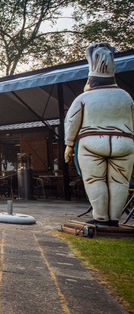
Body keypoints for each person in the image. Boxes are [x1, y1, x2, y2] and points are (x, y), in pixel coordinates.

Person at [65, 43, 134, 226]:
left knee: (94, 179)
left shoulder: (84, 98)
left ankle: (100, 216)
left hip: (92, 142)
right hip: (124, 143)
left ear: (90, 80)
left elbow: (72, 121)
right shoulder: (126, 97)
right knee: (120, 181)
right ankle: (114, 218)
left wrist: (69, 143)